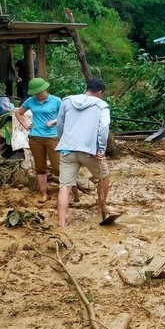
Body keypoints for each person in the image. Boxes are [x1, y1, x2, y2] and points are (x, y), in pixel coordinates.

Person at [55, 79, 111, 229]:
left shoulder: (67, 101)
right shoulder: (101, 105)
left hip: (67, 149)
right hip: (89, 151)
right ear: (99, 92)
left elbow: (60, 124)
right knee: (103, 177)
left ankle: (61, 223)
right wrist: (101, 149)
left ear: (87, 89)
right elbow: (104, 127)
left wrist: (63, 140)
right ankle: (102, 207)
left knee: (64, 187)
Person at [15, 78, 62, 203]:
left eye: (39, 93)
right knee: (40, 167)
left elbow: (66, 115)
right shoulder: (31, 101)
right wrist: (25, 124)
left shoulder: (56, 101)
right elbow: (19, 113)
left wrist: (54, 121)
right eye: (35, 93)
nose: (38, 95)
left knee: (57, 167)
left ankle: (68, 190)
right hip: (35, 137)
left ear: (45, 89)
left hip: (52, 137)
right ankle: (44, 194)